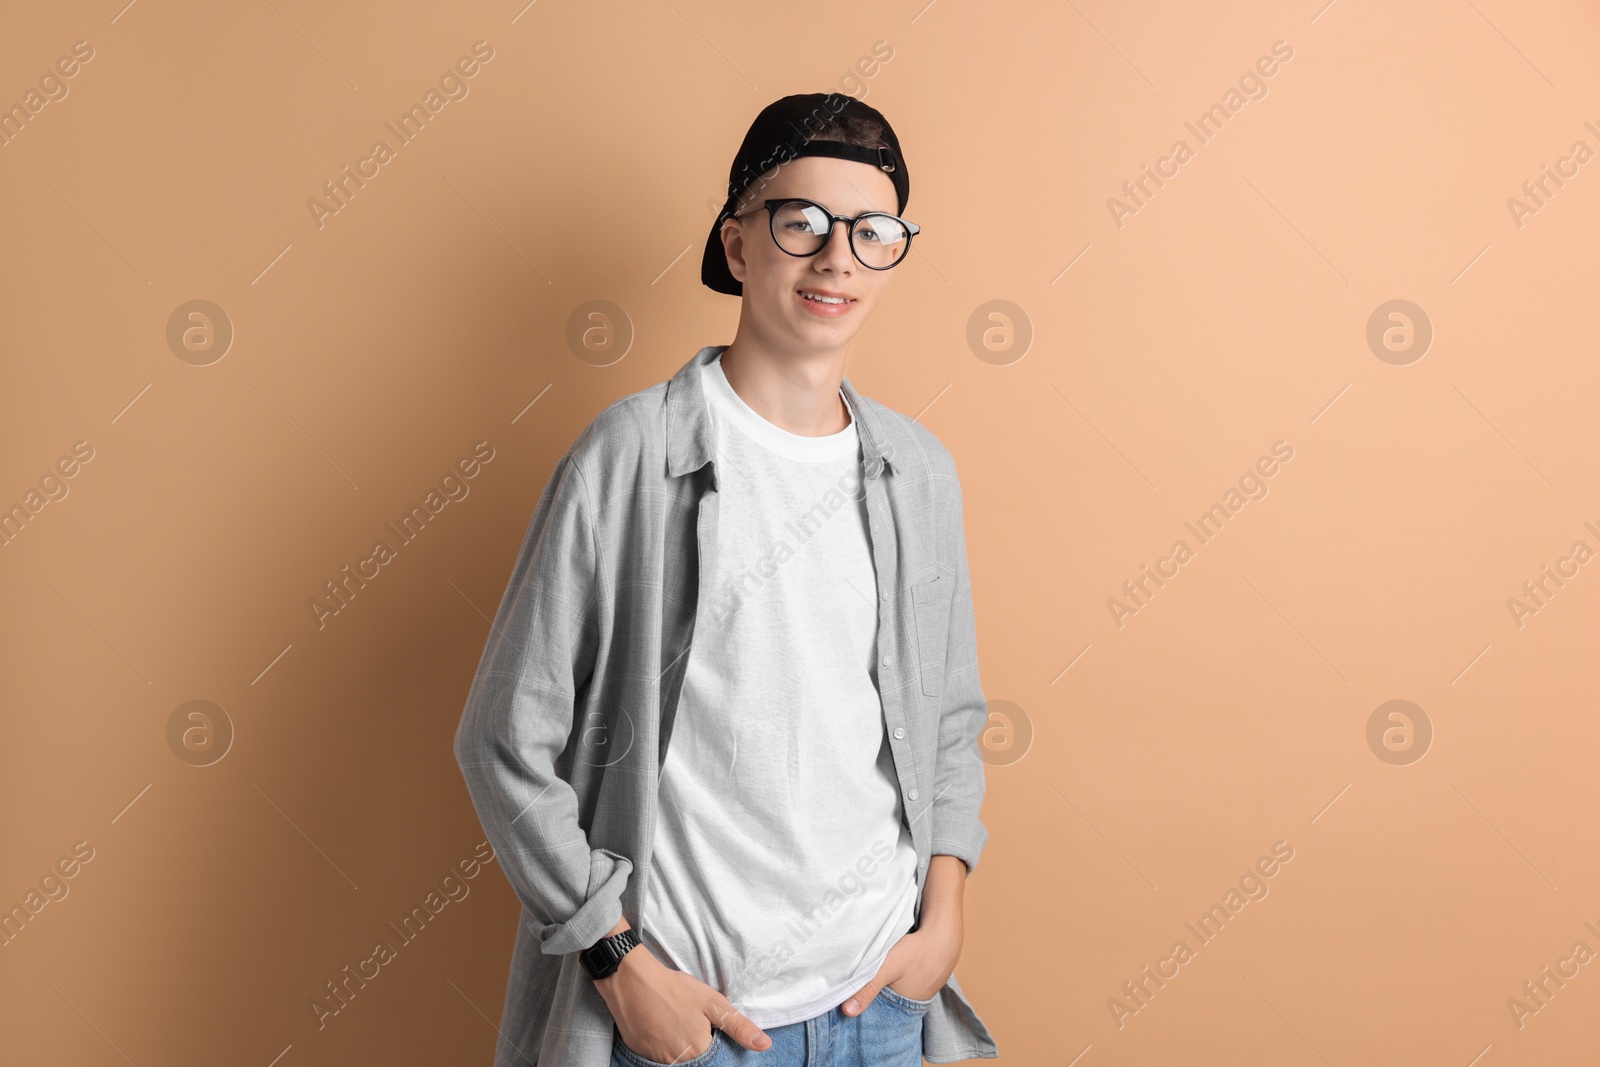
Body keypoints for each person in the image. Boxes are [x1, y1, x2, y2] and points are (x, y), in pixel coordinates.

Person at [454, 92, 998, 1067]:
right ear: (739, 245)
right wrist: (618, 960)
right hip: (690, 1018)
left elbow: (949, 721)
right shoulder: (630, 454)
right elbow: (502, 738)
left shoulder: (917, 471)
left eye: (872, 231)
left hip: (879, 1004)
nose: (837, 258)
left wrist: (942, 923)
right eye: (802, 222)